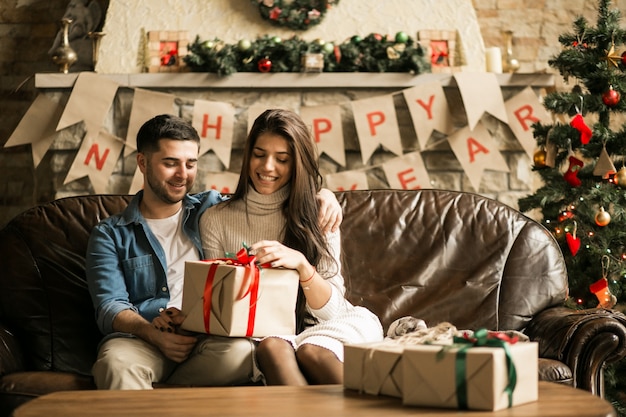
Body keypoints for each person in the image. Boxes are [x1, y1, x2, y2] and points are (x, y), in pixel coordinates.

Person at [86, 114, 342, 389]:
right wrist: (152, 333)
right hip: (143, 339)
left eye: (190, 163)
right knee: (113, 363)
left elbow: (264, 199)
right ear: (143, 163)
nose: (182, 174)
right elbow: (109, 306)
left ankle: (159, 401)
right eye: (170, 163)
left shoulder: (210, 210)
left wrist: (324, 195)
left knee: (243, 352)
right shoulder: (110, 234)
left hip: (207, 340)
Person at [198, 109, 384, 385]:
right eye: (259, 154)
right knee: (272, 348)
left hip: (329, 327)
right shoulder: (216, 219)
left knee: (312, 352)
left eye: (282, 159)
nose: (268, 167)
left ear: (297, 164)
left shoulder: (319, 212)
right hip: (265, 335)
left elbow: (332, 311)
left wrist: (300, 264)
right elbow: (217, 308)